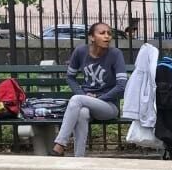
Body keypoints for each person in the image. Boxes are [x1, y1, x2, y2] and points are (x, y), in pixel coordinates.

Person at [52, 22, 127, 157]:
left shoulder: (115, 54)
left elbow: (121, 86)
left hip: (108, 106)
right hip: (86, 101)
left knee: (77, 99)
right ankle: (79, 159)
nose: (107, 37)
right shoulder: (80, 52)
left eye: (109, 33)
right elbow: (70, 77)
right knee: (82, 113)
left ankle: (60, 144)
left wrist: (98, 98)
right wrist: (84, 96)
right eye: (102, 33)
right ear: (91, 37)